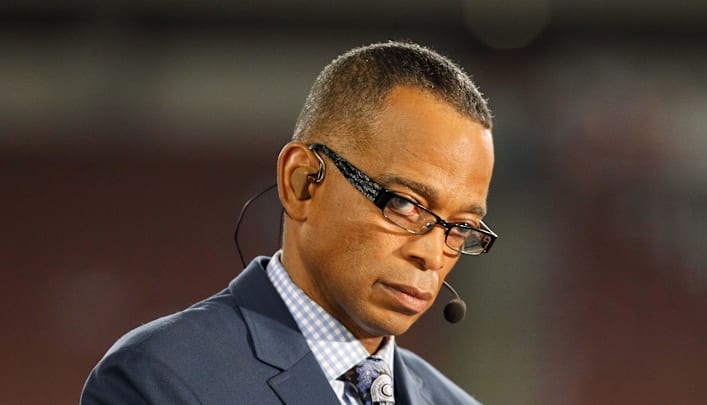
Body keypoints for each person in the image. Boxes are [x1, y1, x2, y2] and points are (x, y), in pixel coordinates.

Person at [81, 40, 497, 405]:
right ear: (302, 184)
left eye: (461, 227)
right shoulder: (161, 379)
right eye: (405, 204)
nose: (431, 255)